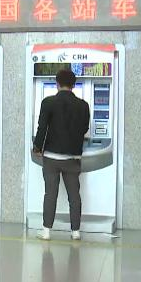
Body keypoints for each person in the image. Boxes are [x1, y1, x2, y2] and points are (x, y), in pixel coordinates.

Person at [32, 69, 91, 241]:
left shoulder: (48, 102)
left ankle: (46, 231)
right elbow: (84, 128)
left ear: (57, 84)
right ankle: (75, 231)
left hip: (51, 157)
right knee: (74, 195)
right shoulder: (83, 105)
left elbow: (42, 127)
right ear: (74, 85)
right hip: (72, 158)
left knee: (50, 194)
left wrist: (37, 147)